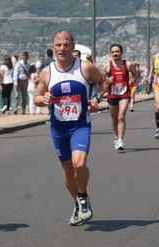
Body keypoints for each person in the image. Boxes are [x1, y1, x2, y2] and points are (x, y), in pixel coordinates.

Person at [34, 30, 107, 226]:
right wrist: (44, 99)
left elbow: (103, 83)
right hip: (58, 127)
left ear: (73, 47)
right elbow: (37, 97)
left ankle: (82, 196)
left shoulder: (85, 67)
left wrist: (96, 99)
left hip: (80, 125)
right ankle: (77, 204)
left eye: (66, 44)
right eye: (58, 45)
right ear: (52, 47)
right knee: (67, 171)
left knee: (79, 164)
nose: (62, 48)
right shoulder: (47, 72)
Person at [102, 44, 138, 150]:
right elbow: (101, 79)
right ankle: (117, 137)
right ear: (110, 53)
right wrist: (107, 81)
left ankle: (121, 140)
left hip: (124, 94)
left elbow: (135, 74)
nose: (115, 54)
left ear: (121, 53)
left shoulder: (128, 65)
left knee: (121, 116)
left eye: (117, 51)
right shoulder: (107, 66)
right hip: (112, 94)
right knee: (114, 119)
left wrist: (133, 79)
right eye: (113, 52)